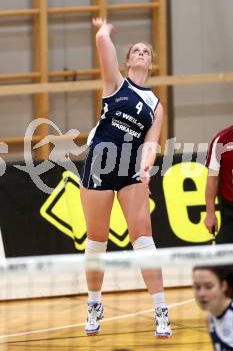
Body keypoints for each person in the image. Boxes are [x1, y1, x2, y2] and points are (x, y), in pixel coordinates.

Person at [79, 18, 171, 338]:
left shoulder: (156, 106)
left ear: (151, 62)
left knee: (144, 240)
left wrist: (146, 167)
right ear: (128, 60)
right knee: (97, 241)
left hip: (130, 168)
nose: (142, 53)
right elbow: (104, 50)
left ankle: (161, 309)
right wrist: (103, 33)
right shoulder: (116, 84)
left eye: (146, 51)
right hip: (100, 165)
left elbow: (151, 141)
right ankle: (94, 304)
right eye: (136, 51)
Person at [204, 96, 233, 243]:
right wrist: (210, 213)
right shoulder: (222, 139)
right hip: (231, 211)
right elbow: (212, 178)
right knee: (228, 261)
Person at [193, 265, 233, 350]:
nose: (201, 294)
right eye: (197, 287)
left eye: (209, 286)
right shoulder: (209, 319)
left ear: (223, 286)